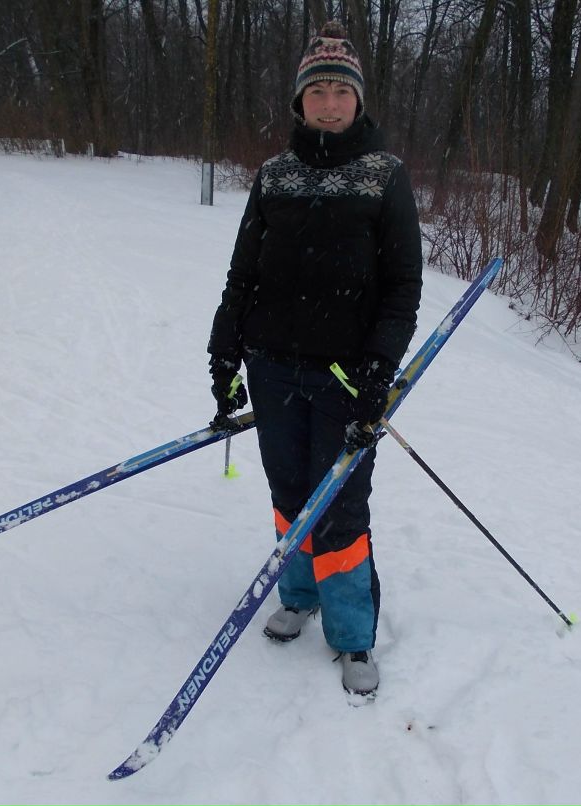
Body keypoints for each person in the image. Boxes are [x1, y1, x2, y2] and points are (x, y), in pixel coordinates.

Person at [207, 21, 423, 696]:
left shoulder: (384, 176)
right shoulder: (274, 175)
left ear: (358, 101)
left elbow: (402, 288)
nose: (329, 103)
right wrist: (225, 350)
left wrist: (377, 371)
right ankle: (298, 595)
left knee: (340, 505)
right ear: (299, 102)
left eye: (341, 91)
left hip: (344, 376)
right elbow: (243, 273)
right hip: (273, 368)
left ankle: (353, 634)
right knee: (288, 493)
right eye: (317, 91)